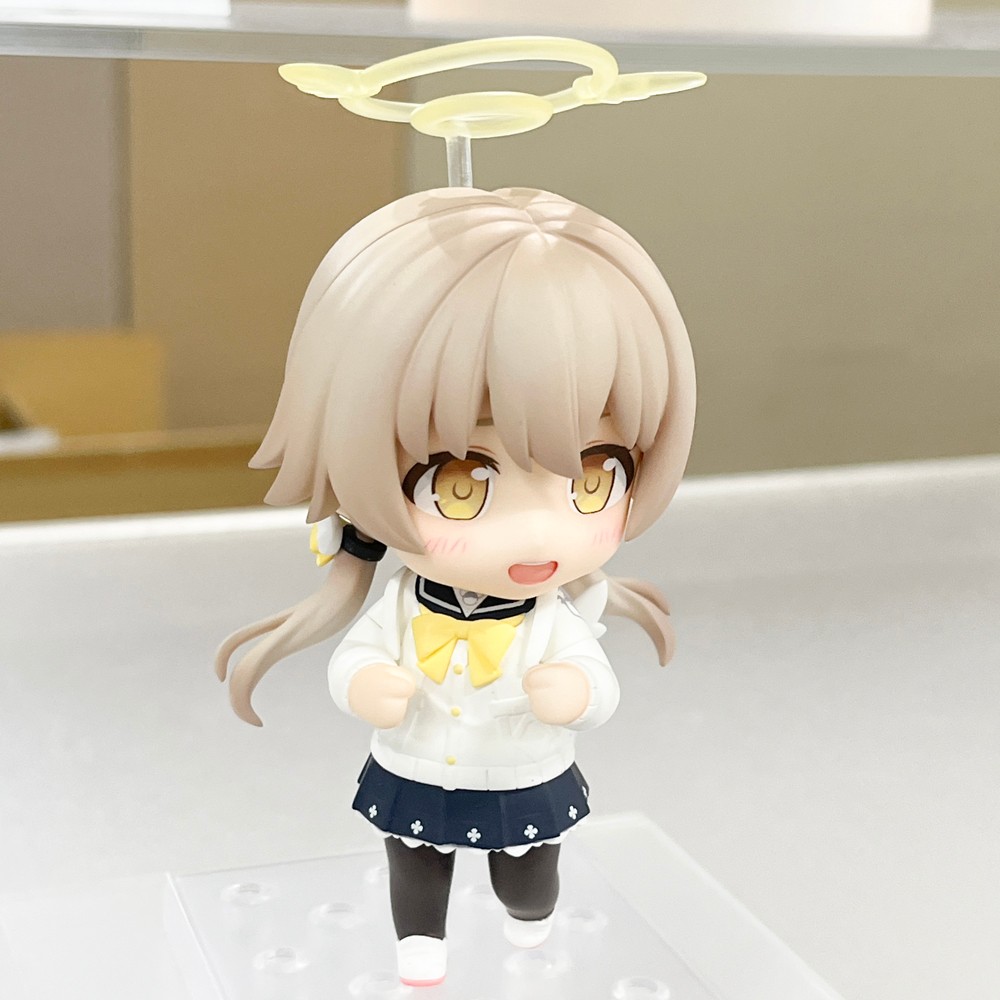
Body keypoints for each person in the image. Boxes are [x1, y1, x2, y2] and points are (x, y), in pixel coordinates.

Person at [216, 185, 696, 986]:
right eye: (462, 484)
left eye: (594, 480)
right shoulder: (403, 606)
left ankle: (530, 916)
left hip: (521, 769)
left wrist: (575, 694)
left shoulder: (553, 616)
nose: (538, 534)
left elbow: (595, 681)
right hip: (416, 761)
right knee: (413, 857)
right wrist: (363, 683)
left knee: (527, 869)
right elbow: (359, 655)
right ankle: (420, 944)